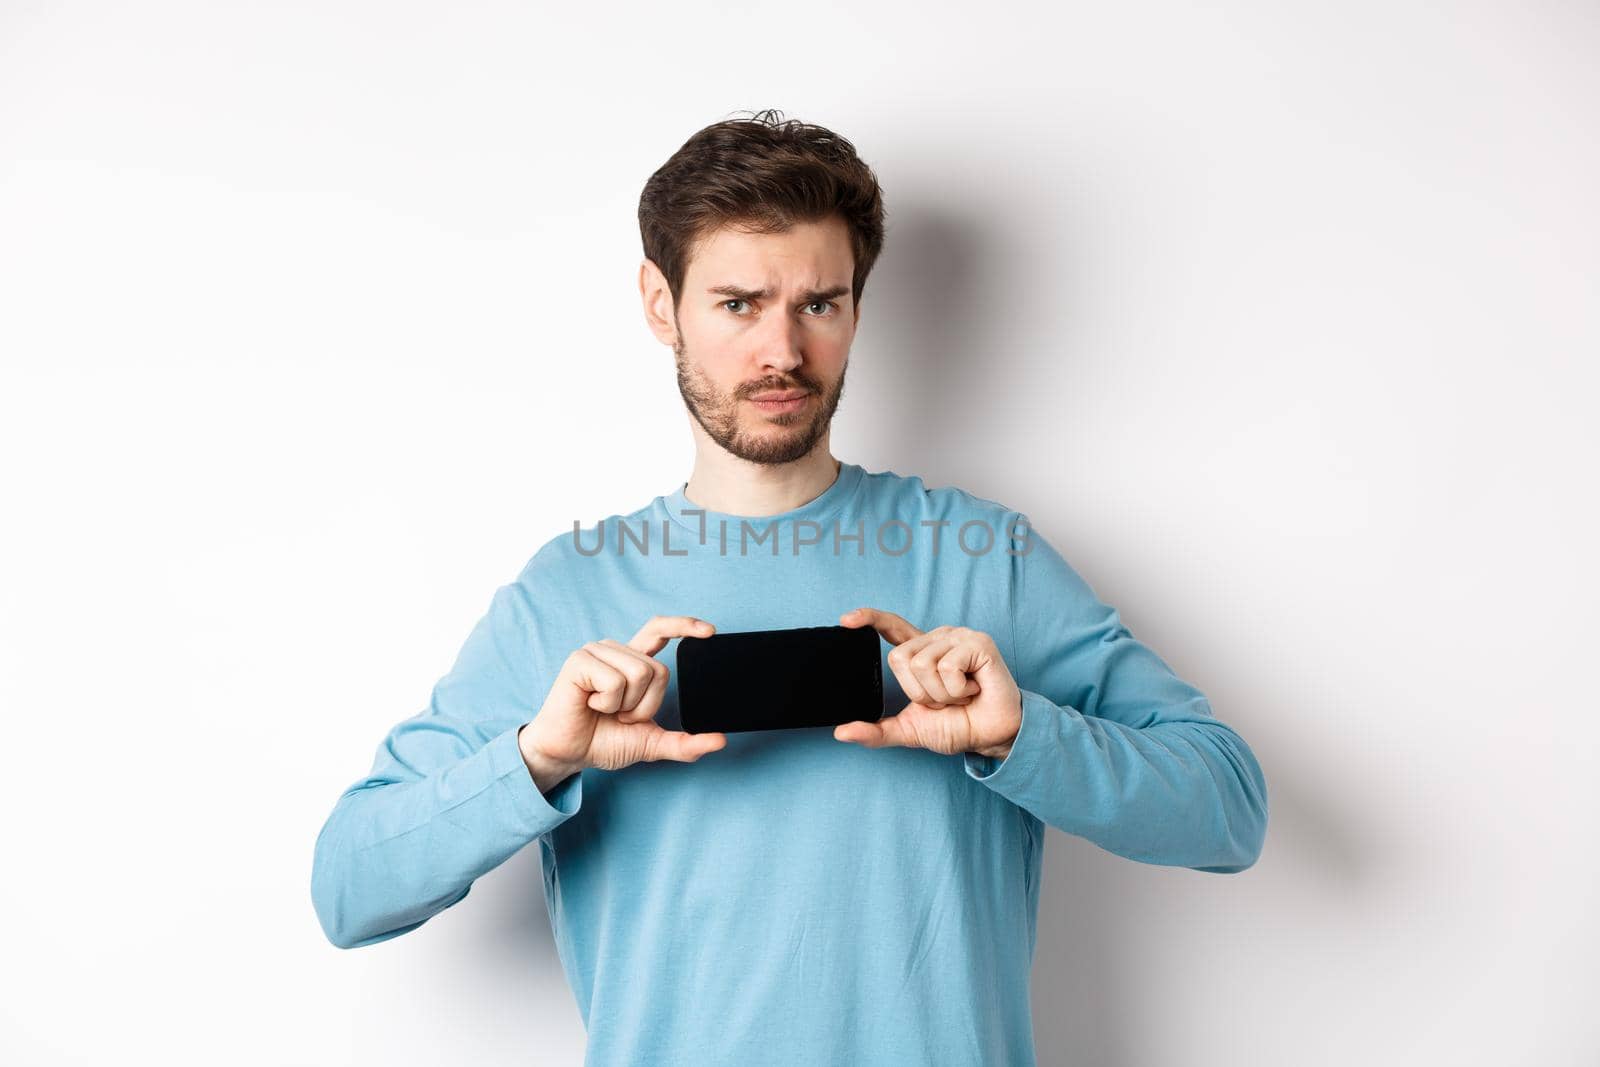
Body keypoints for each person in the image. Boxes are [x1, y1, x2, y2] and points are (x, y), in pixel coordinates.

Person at [310, 108, 1269, 1066]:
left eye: (819, 304)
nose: (782, 353)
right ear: (660, 303)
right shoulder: (569, 590)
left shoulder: (983, 556)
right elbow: (351, 888)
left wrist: (1024, 736)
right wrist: (537, 758)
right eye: (738, 304)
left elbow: (1229, 809)